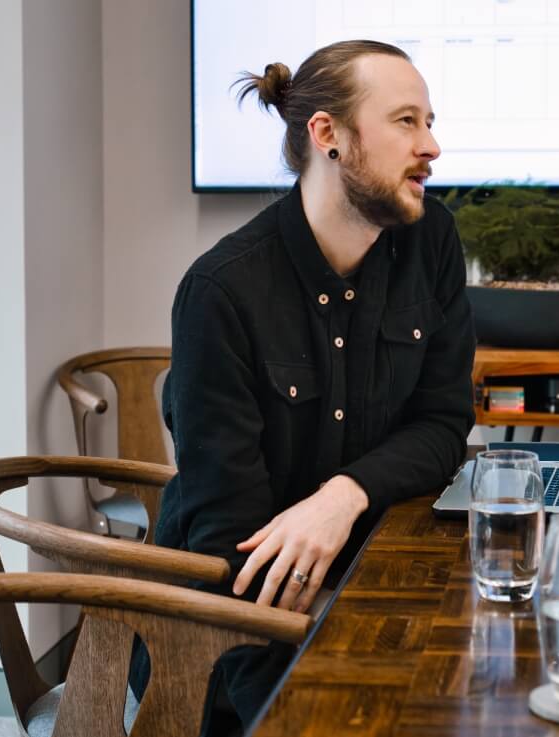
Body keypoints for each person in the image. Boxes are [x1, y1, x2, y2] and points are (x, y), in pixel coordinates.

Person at [144, 39, 475, 733]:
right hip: (227, 640)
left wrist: (341, 496)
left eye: (429, 120)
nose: (433, 146)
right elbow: (226, 544)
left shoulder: (431, 239)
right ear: (328, 135)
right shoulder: (221, 291)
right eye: (406, 122)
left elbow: (442, 423)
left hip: (364, 593)